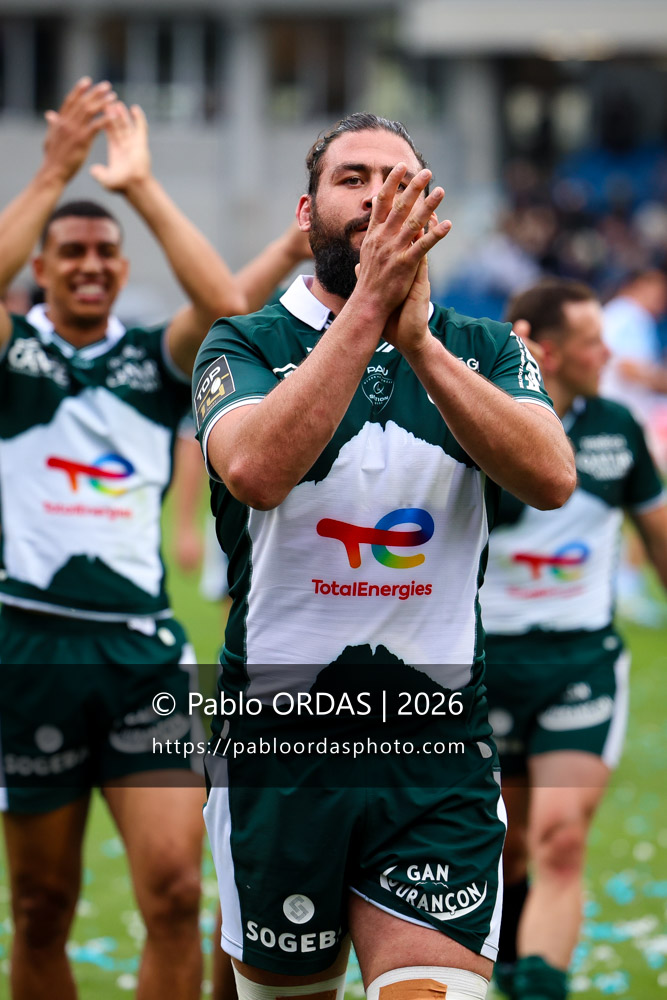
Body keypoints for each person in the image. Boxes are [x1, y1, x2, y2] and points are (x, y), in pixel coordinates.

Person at [193, 113, 575, 1000]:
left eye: (398, 182)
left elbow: (551, 477)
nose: (376, 197)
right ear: (307, 212)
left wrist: (420, 344)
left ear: (429, 212)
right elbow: (254, 472)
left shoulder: (483, 348)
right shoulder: (243, 342)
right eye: (352, 178)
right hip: (282, 750)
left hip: (435, 752)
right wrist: (370, 308)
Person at [0, 78, 250, 1000]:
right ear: (41, 266)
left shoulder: (151, 357)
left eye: (106, 251)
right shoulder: (13, 352)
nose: (91, 264)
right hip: (30, 650)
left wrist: (138, 187)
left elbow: (225, 305)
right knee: (40, 906)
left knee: (178, 893)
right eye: (71, 251)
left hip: (144, 654)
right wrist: (54, 173)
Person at [480, 278, 667, 1000]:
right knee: (508, 845)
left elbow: (658, 537)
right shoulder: (473, 419)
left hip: (579, 662)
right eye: (593, 343)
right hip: (482, 665)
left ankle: (539, 984)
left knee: (559, 837)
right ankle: (511, 958)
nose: (608, 355)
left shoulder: (618, 428)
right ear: (549, 353)